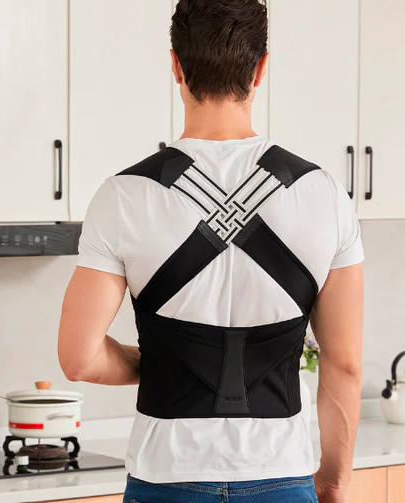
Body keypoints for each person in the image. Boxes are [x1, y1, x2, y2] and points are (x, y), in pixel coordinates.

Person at [58, 1, 364, 502]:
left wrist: (165, 363)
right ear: (260, 69)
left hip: (166, 475)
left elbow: (80, 358)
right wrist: (333, 482)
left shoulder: (124, 195)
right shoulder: (325, 194)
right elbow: (345, 363)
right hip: (281, 475)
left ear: (176, 65)